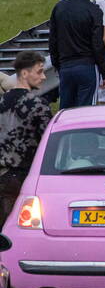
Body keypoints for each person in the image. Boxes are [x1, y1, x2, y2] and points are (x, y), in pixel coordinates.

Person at [0, 51, 52, 226]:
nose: (44, 77)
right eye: (39, 71)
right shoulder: (39, 106)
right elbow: (48, 145)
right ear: (24, 73)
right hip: (24, 178)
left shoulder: (1, 103)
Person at [49, 0, 105, 109]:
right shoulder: (94, 10)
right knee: (85, 111)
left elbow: (53, 40)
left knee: (65, 109)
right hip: (87, 66)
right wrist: (104, 72)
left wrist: (58, 64)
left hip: (65, 66)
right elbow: (97, 44)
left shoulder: (60, 7)